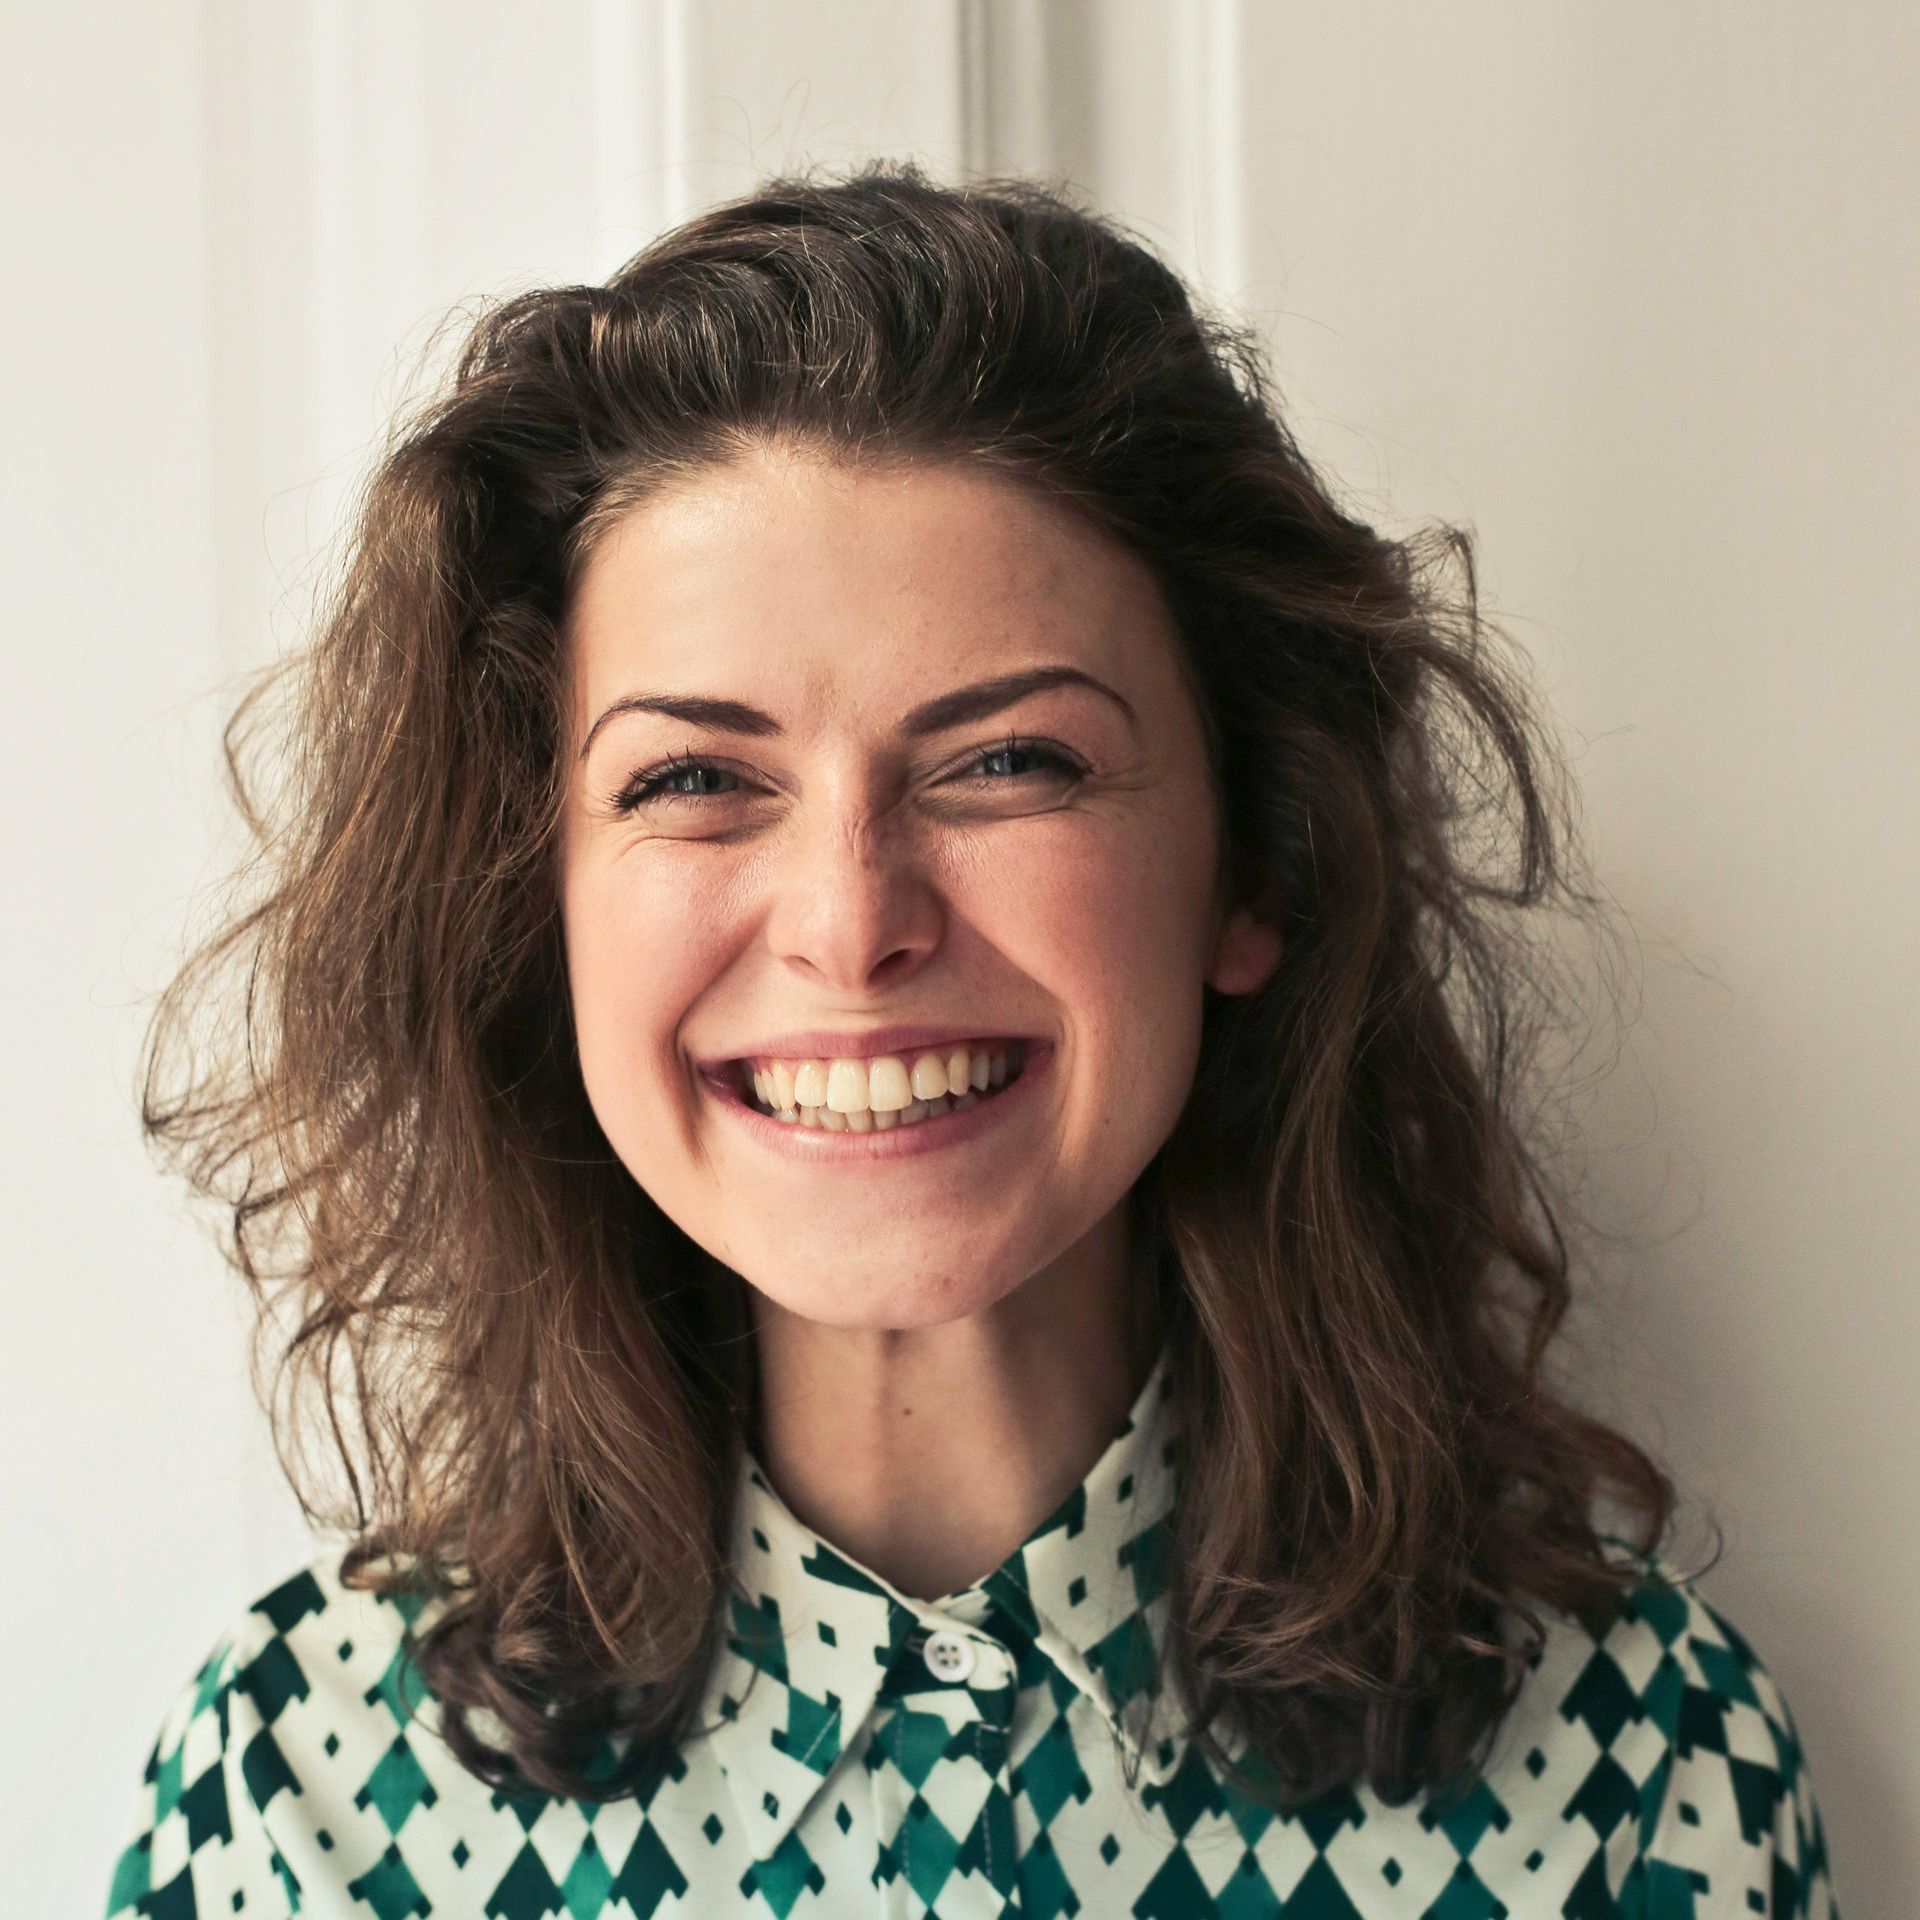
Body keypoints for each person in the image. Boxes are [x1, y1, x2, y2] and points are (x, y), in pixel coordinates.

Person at [105, 160, 1839, 1918]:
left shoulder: (1639, 1761)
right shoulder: (300, 1798)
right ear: (533, 905)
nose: (853, 925)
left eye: (1012, 762)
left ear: (1258, 866)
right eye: (696, 779)